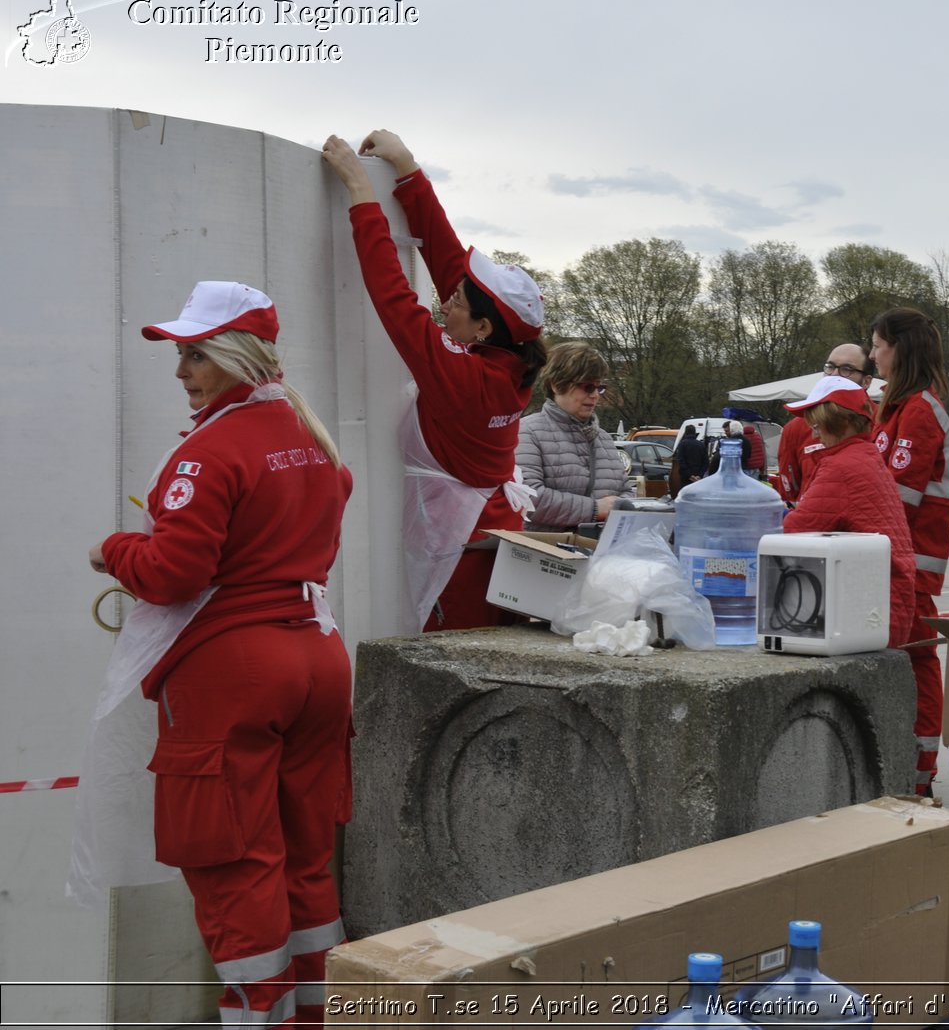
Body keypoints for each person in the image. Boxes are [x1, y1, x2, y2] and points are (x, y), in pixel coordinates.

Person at [87, 282, 354, 1027]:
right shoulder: (306, 431)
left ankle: (252, 1019)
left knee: (235, 866)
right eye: (181, 354)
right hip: (318, 658)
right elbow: (336, 490)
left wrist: (114, 550)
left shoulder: (208, 451)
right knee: (305, 857)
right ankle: (315, 1016)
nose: (181, 371)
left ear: (238, 356)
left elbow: (176, 573)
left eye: (196, 354)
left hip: (234, 671)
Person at [323, 131, 547, 632]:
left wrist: (361, 193)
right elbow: (449, 264)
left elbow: (393, 296)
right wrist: (407, 171)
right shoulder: (504, 359)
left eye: (458, 302)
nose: (445, 301)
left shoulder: (464, 376)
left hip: (461, 549)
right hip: (491, 532)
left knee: (454, 663)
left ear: (485, 327)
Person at [869, 307, 949, 797]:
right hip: (889, 562)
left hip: (910, 566)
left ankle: (920, 775)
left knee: (917, 664)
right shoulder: (896, 408)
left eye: (878, 345)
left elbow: (897, 498)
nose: (872, 355)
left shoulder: (921, 410)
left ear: (899, 348)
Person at [780, 375, 916, 648]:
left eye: (816, 424)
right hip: (886, 600)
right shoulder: (863, 456)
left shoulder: (842, 467)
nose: (814, 434)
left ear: (838, 422)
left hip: (871, 609)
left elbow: (794, 529)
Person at [516, 341, 635, 530]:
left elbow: (626, 492)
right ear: (556, 385)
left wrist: (622, 506)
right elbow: (527, 498)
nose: (595, 395)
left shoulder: (603, 438)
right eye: (587, 387)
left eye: (599, 387)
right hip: (545, 552)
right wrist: (595, 509)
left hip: (600, 553)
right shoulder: (527, 431)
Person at [776, 345, 874, 506]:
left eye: (846, 369)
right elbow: (790, 491)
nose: (834, 374)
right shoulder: (796, 427)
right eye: (830, 367)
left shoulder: (882, 420)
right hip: (812, 521)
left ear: (866, 381)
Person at [670, 424, 708, 498]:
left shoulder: (682, 444)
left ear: (686, 432)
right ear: (694, 432)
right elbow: (705, 462)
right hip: (698, 478)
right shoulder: (701, 445)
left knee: (685, 497)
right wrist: (699, 475)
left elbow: (681, 461)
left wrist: (690, 475)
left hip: (686, 478)